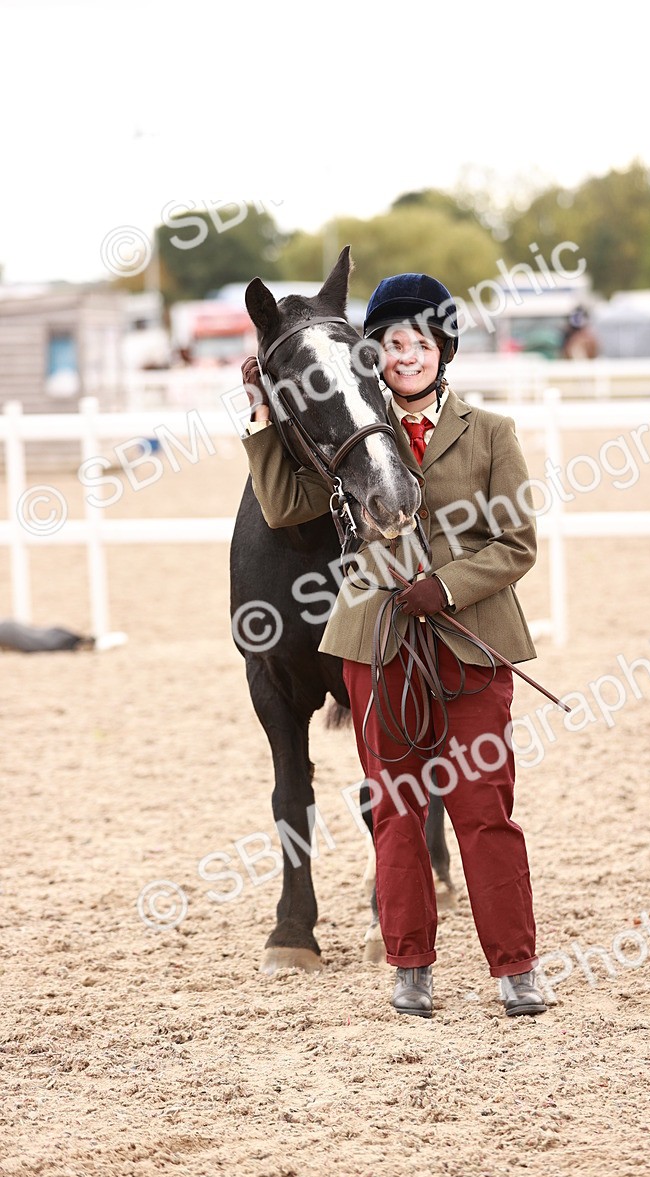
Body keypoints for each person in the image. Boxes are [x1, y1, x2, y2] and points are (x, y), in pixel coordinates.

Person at [240, 272, 546, 1019]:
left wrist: (444, 588)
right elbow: (283, 505)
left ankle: (516, 967)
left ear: (443, 350)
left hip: (465, 639)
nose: (405, 355)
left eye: (420, 341)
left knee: (485, 809)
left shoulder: (489, 433)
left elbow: (517, 541)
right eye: (392, 344)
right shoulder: (355, 436)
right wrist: (258, 413)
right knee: (395, 807)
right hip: (376, 642)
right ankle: (409, 964)